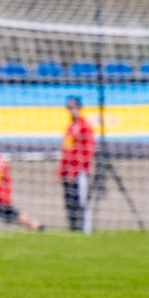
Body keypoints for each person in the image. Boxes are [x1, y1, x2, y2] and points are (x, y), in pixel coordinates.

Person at [59, 96, 95, 232]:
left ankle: (86, 230)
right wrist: (62, 172)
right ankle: (73, 228)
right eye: (69, 108)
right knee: (70, 203)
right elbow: (66, 152)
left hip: (80, 172)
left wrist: (77, 170)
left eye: (74, 107)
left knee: (82, 201)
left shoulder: (85, 127)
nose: (71, 110)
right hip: (68, 173)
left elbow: (88, 151)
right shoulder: (69, 128)